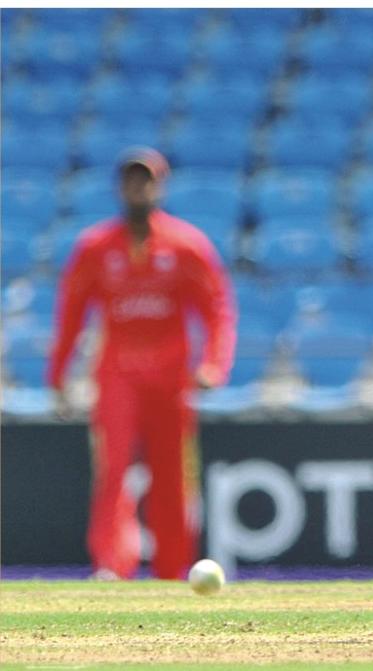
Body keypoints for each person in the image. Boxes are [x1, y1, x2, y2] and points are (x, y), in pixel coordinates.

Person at [47, 146, 237, 581]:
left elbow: (217, 309)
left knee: (171, 476)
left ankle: (171, 571)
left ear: (160, 186)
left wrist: (213, 364)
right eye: (131, 180)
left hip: (171, 376)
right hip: (117, 371)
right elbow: (71, 313)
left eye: (146, 180)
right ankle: (111, 568)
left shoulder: (186, 244)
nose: (138, 188)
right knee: (113, 469)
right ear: (120, 187)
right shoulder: (95, 246)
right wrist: (58, 375)